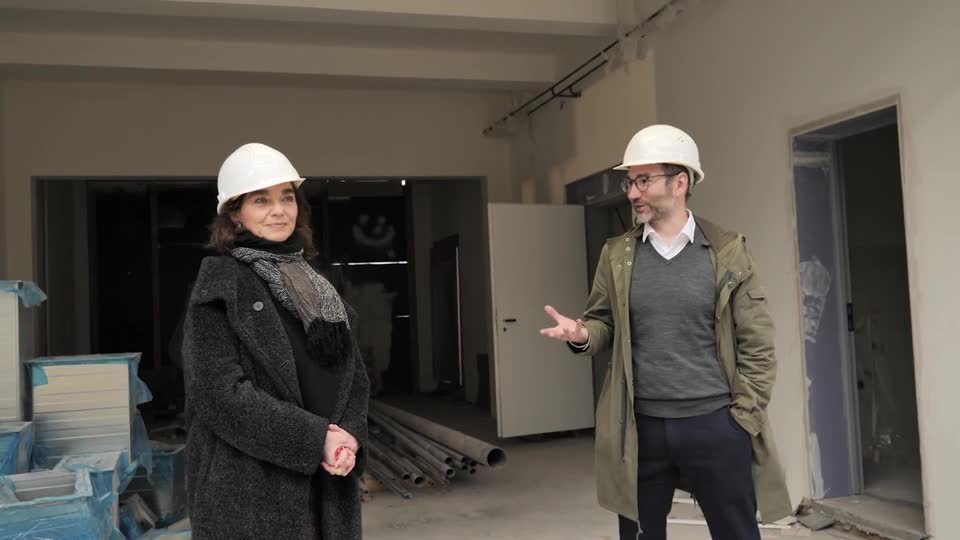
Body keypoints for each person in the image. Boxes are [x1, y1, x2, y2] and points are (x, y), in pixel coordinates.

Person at [540, 125, 791, 539]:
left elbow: (758, 345)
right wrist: (581, 334)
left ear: (680, 182)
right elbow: (603, 322)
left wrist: (742, 419)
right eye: (630, 182)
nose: (632, 193)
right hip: (641, 429)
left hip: (715, 424)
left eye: (644, 180)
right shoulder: (616, 255)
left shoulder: (727, 252)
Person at [183, 142, 369, 539]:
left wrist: (349, 436)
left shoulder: (314, 286)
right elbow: (219, 395)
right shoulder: (221, 285)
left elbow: (354, 378)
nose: (279, 210)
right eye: (261, 200)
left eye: (287, 197)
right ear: (235, 213)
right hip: (250, 490)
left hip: (327, 482)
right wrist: (314, 439)